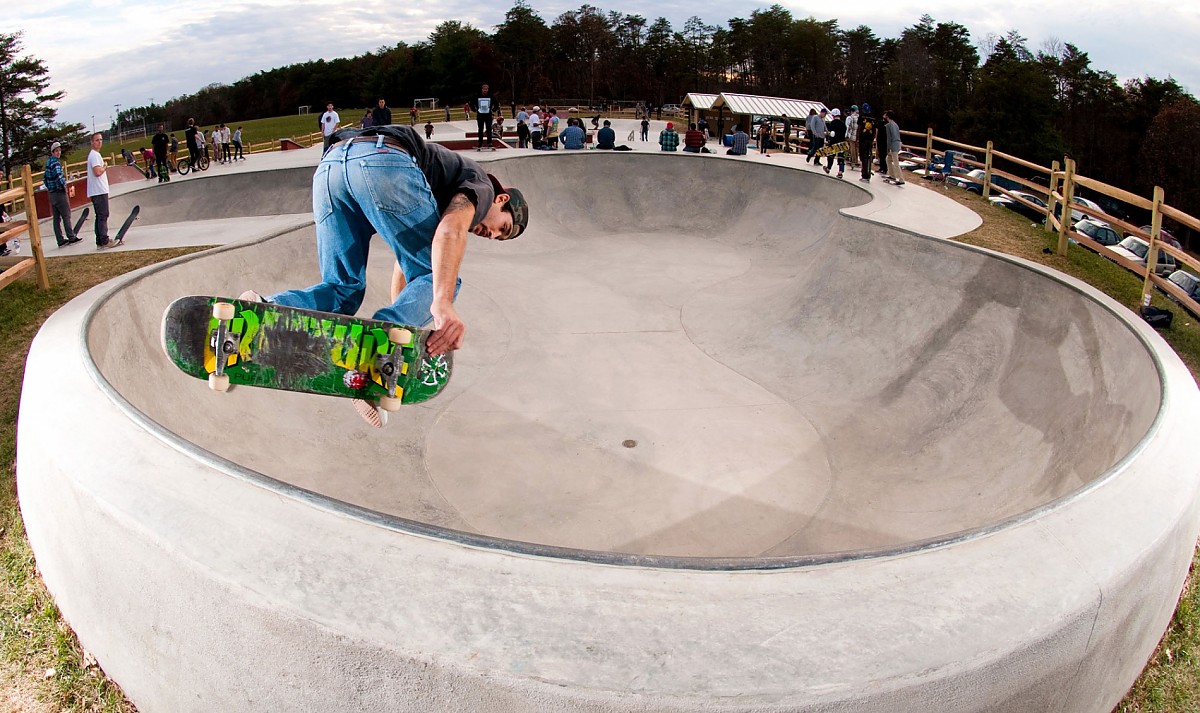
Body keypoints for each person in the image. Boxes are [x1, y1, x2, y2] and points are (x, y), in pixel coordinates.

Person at [239, 124, 530, 427]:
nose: (491, 233)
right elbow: (450, 230)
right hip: (383, 160)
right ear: (502, 200)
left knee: (342, 289)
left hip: (330, 170)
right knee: (443, 278)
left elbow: (404, 265)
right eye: (502, 228)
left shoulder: (447, 183)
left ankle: (263, 308)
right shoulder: (481, 186)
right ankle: (373, 356)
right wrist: (441, 301)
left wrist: (403, 323)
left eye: (497, 238)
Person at [42, 142, 80, 246]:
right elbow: (59, 177)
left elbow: (44, 179)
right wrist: (64, 187)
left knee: (56, 218)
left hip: (52, 194)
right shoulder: (56, 163)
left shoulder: (48, 163)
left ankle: (60, 240)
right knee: (66, 215)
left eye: (59, 150)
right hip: (59, 192)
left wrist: (50, 187)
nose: (58, 152)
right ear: (52, 152)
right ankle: (71, 237)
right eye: (56, 151)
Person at [86, 132, 115, 248]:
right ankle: (104, 240)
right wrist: (105, 167)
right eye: (97, 140)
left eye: (101, 140)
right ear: (92, 142)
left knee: (100, 215)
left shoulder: (94, 155)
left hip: (97, 190)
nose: (99, 142)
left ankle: (99, 239)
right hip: (99, 190)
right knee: (103, 215)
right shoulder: (94, 155)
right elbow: (97, 172)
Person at [883, 110, 905, 186]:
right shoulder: (895, 124)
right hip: (897, 143)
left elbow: (889, 138)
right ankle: (892, 175)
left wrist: (888, 148)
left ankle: (901, 179)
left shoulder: (889, 125)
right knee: (888, 159)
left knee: (895, 162)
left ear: (887, 116)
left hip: (893, 145)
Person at [857, 103, 877, 182]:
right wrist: (873, 137)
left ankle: (865, 174)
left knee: (863, 157)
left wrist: (857, 138)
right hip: (870, 139)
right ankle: (868, 173)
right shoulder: (873, 118)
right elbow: (874, 129)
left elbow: (859, 128)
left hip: (863, 139)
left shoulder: (862, 117)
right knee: (869, 156)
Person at [824, 108, 846, 178]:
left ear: (833, 115)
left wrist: (828, 139)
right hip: (842, 142)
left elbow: (831, 133)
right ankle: (840, 172)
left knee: (830, 156)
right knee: (841, 157)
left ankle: (828, 168)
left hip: (833, 142)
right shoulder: (843, 124)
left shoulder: (832, 123)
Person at [475, 84, 494, 151]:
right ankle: (480, 143)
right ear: (482, 89)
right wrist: (475, 109)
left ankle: (489, 142)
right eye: (484, 89)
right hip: (480, 115)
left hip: (488, 115)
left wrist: (493, 110)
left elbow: (496, 103)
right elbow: (471, 103)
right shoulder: (477, 96)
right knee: (480, 129)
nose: (485, 90)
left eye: (486, 89)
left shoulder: (491, 96)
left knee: (489, 129)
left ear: (488, 90)